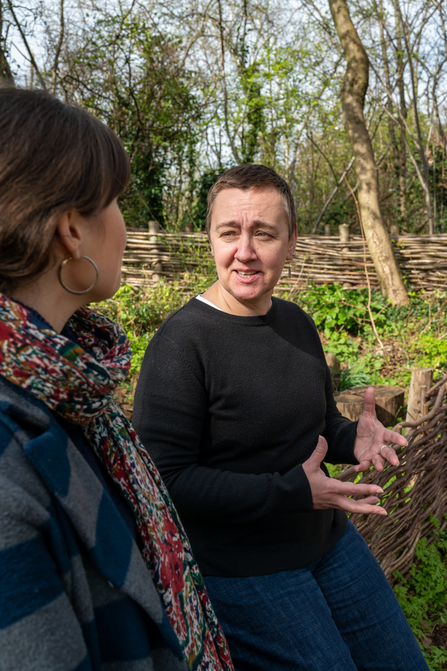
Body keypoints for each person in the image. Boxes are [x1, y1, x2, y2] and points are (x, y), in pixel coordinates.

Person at [133, 164, 429, 671]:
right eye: (229, 232)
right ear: (211, 240)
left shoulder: (295, 322)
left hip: (329, 543)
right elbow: (166, 483)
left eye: (263, 234)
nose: (244, 252)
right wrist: (293, 492)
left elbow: (312, 430)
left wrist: (348, 440)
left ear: (290, 243)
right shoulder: (181, 346)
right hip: (244, 569)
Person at [0, 87, 233, 671]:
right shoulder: (8, 465)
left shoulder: (72, 389)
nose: (126, 223)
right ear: (72, 230)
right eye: (117, 201)